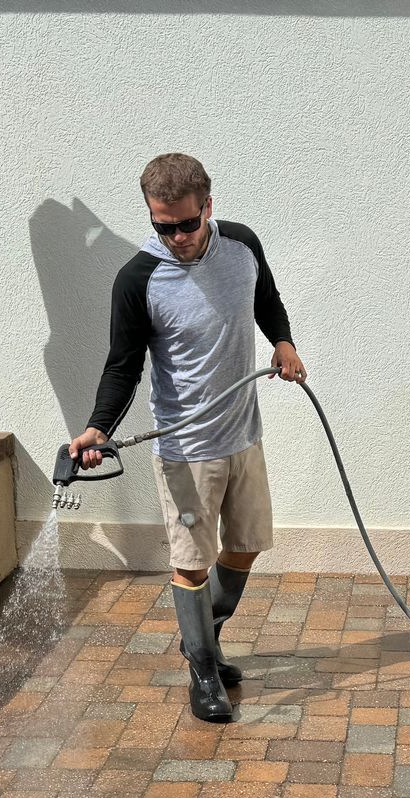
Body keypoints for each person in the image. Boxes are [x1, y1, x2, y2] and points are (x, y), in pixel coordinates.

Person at [69, 153, 307, 724]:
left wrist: (284, 341)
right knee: (192, 564)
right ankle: (202, 667)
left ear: (208, 206)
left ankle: (205, 631)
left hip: (242, 433)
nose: (175, 237)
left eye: (186, 224)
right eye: (161, 226)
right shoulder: (137, 279)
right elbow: (122, 366)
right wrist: (99, 426)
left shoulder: (243, 245)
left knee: (247, 545)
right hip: (185, 451)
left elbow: (265, 300)